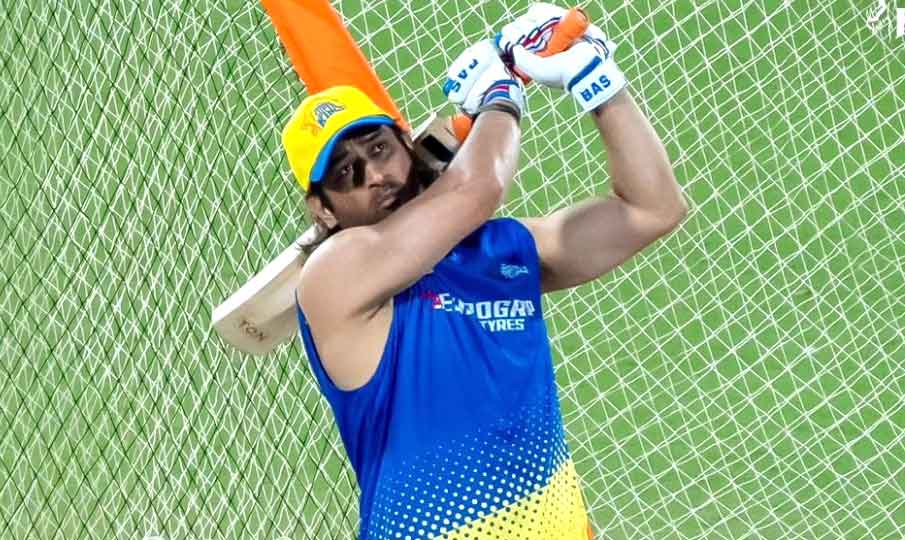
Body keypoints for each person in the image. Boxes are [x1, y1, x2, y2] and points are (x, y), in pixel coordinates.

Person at [281, 4, 687, 538]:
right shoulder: (332, 276)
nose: (376, 174)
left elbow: (654, 208)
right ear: (324, 211)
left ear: (407, 147)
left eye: (379, 149)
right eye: (346, 173)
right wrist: (500, 92)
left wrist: (599, 84)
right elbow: (477, 189)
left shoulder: (500, 251)